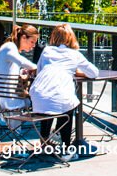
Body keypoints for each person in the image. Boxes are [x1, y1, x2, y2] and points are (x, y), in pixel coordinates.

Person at [29, 23, 99, 161]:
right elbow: (94, 73)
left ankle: (44, 142)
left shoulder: (47, 51)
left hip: (37, 96)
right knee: (67, 104)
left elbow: (39, 71)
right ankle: (67, 150)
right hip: (60, 97)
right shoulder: (74, 54)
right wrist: (78, 72)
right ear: (71, 38)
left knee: (50, 100)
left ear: (53, 37)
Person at [0, 24, 38, 111]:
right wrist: (38, 67)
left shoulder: (9, 47)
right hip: (8, 100)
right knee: (36, 101)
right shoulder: (9, 47)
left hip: (2, 97)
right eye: (32, 42)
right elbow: (22, 62)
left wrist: (21, 72)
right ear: (24, 38)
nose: (34, 45)